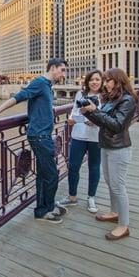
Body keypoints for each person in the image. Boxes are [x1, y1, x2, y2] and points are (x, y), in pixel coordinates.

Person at [0, 58, 68, 224]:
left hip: (43, 135)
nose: (64, 74)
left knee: (43, 175)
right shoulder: (39, 82)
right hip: (39, 137)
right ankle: (47, 208)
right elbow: (19, 96)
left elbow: (40, 106)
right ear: (53, 68)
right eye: (62, 70)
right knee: (52, 174)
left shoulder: (47, 85)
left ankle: (42, 209)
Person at [80, 68, 136, 240]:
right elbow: (103, 121)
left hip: (119, 148)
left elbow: (117, 125)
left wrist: (95, 111)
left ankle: (124, 225)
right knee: (111, 183)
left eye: (108, 80)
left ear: (118, 81)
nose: (105, 84)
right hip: (106, 145)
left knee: (118, 186)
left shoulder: (127, 100)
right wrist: (90, 113)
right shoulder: (111, 99)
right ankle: (114, 212)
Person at [57, 70, 103, 213]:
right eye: (92, 79)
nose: (95, 82)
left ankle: (91, 198)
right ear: (87, 81)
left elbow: (107, 116)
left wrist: (97, 121)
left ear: (101, 81)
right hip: (78, 135)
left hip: (96, 137)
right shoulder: (80, 94)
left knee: (94, 167)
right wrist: (71, 119)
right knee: (73, 166)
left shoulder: (104, 96)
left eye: (97, 79)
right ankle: (72, 197)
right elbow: (75, 112)